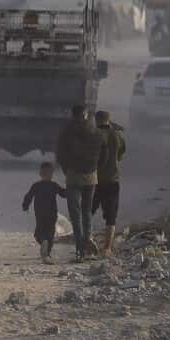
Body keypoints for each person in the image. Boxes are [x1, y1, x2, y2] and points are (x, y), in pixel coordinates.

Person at [55, 105, 103, 261]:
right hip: (91, 177)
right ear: (85, 115)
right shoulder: (95, 131)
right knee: (87, 211)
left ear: (72, 115)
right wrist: (95, 168)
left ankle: (79, 249)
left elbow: (60, 154)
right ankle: (87, 240)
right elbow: (102, 153)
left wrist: (67, 170)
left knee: (75, 214)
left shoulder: (66, 132)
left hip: (73, 176)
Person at [92, 110, 126, 257]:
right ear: (109, 120)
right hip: (112, 180)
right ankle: (107, 248)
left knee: (88, 212)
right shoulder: (117, 135)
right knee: (111, 217)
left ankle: (85, 242)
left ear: (96, 120)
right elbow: (121, 154)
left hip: (94, 180)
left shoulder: (93, 135)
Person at [22, 161, 66, 264]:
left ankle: (43, 241)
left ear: (40, 174)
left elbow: (28, 197)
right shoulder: (54, 185)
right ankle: (47, 253)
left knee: (39, 232)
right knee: (50, 233)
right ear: (52, 174)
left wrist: (25, 206)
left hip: (40, 213)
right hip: (52, 213)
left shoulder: (36, 186)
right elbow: (63, 194)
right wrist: (72, 189)